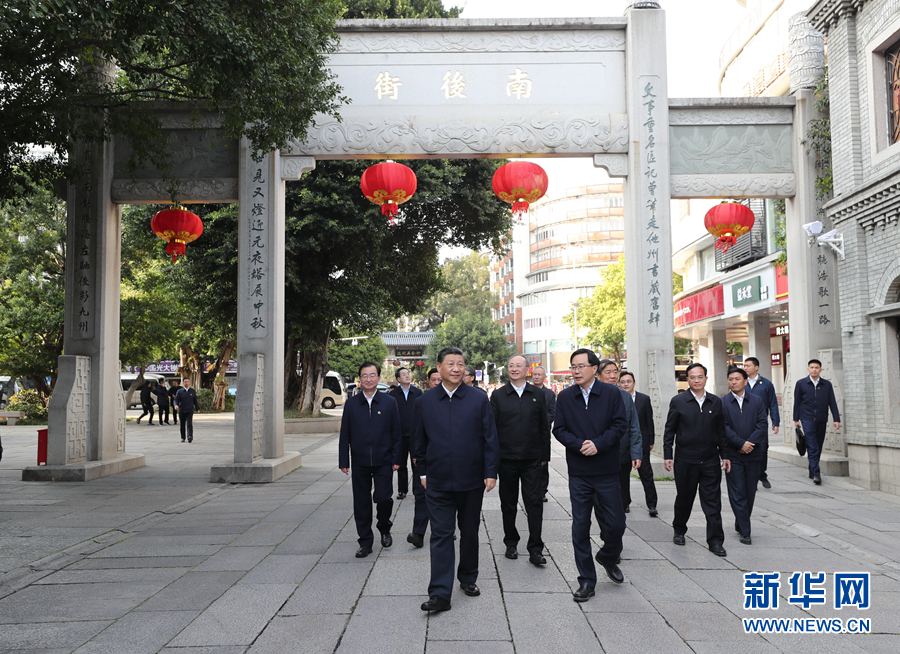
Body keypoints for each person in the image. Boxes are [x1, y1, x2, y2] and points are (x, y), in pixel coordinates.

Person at [413, 347, 499, 613]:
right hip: (437, 481)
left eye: (460, 364)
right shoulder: (425, 402)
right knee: (440, 535)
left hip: (472, 480)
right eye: (450, 363)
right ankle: (439, 593)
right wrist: (423, 474)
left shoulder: (478, 398)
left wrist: (490, 472)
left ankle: (468, 577)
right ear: (438, 368)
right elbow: (419, 443)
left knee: (470, 531)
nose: (456, 368)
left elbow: (490, 438)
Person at [553, 348, 627, 603]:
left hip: (606, 469)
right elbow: (559, 429)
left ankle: (607, 556)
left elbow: (620, 425)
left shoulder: (611, 393)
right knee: (580, 527)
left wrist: (598, 444)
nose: (575, 371)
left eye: (580, 366)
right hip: (580, 472)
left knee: (616, 524)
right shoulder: (564, 397)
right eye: (572, 366)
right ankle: (586, 581)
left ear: (594, 369)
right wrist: (577, 444)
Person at [663, 362, 731, 557]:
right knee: (684, 499)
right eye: (692, 377)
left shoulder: (715, 402)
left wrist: (724, 455)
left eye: (700, 377)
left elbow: (721, 431)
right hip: (685, 460)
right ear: (687, 379)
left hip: (710, 460)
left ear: (706, 379)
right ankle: (679, 529)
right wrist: (668, 455)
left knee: (713, 502)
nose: (696, 380)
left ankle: (716, 541)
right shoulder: (679, 401)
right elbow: (670, 430)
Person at [490, 354, 551, 566]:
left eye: (519, 365)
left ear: (527, 369)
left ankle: (535, 548)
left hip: (532, 459)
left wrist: (545, 455)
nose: (514, 369)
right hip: (506, 459)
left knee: (534, 503)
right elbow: (492, 430)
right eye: (511, 366)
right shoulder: (498, 395)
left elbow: (544, 426)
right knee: (508, 504)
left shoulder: (537, 394)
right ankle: (511, 542)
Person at [339, 362, 402, 558]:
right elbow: (345, 434)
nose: (368, 379)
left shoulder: (389, 402)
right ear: (360, 379)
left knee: (384, 498)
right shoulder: (351, 404)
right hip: (360, 462)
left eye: (372, 375)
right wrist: (344, 460)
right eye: (365, 375)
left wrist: (397, 458)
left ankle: (384, 527)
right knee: (361, 503)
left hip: (384, 461)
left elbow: (396, 433)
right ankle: (365, 541)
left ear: (379, 378)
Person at [721, 366, 768, 545]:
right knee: (737, 492)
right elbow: (723, 427)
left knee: (749, 493)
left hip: (754, 455)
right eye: (731, 379)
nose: (734, 382)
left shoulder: (757, 401)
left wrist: (750, 444)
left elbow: (762, 424)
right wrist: (740, 443)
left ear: (745, 381)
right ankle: (746, 532)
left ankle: (741, 521)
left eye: (737, 379)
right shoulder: (723, 402)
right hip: (733, 455)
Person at [596, 360, 642, 521]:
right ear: (598, 373)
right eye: (608, 372)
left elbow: (634, 426)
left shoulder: (625, 396)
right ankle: (606, 528)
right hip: (599, 455)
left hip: (622, 454)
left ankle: (616, 526)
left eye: (615, 371)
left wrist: (636, 453)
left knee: (621, 494)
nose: (613, 375)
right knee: (600, 497)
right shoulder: (593, 395)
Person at [792, 358, 841, 485]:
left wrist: (836, 419)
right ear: (808, 369)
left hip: (821, 419)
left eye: (816, 367)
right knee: (812, 446)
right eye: (812, 367)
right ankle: (817, 474)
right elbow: (797, 402)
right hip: (807, 419)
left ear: (821, 370)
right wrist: (796, 419)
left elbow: (832, 402)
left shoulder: (827, 385)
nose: (814, 369)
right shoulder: (801, 383)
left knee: (818, 446)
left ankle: (812, 469)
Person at [618, 371, 658, 517]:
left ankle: (652, 504)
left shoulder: (644, 399)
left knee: (646, 473)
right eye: (623, 382)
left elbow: (649, 421)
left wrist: (651, 441)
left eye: (629, 381)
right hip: (623, 444)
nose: (626, 384)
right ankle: (625, 502)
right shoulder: (617, 398)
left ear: (634, 383)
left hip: (641, 443)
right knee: (623, 475)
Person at [743, 357, 780, 489]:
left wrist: (776, 422)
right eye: (744, 366)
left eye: (748, 365)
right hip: (744, 422)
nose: (745, 368)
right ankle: (750, 477)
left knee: (763, 449)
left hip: (761, 423)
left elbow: (773, 404)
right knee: (747, 448)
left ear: (756, 367)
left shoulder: (766, 384)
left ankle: (761, 474)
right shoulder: (742, 383)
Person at [388, 367, 422, 501]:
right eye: (403, 374)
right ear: (398, 379)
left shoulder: (418, 393)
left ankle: (417, 490)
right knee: (401, 464)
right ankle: (402, 490)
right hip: (399, 436)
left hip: (415, 435)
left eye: (408, 373)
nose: (407, 376)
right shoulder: (393, 395)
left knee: (417, 464)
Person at [531, 366, 556, 503]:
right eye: (535, 374)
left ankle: (542, 491)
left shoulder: (550, 394)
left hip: (543, 433)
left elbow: (552, 412)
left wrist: (540, 422)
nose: (537, 377)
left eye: (539, 374)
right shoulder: (528, 392)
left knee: (543, 464)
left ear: (544, 377)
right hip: (529, 434)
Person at [174, 378, 199, 443]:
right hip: (182, 410)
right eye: (185, 382)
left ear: (189, 382)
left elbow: (195, 400)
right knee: (182, 424)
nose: (186, 383)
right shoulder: (180, 391)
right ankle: (183, 437)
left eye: (187, 381)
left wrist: (197, 408)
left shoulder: (192, 391)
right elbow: (176, 399)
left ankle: (189, 436)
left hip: (190, 410)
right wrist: (176, 405)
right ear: (183, 383)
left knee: (189, 424)